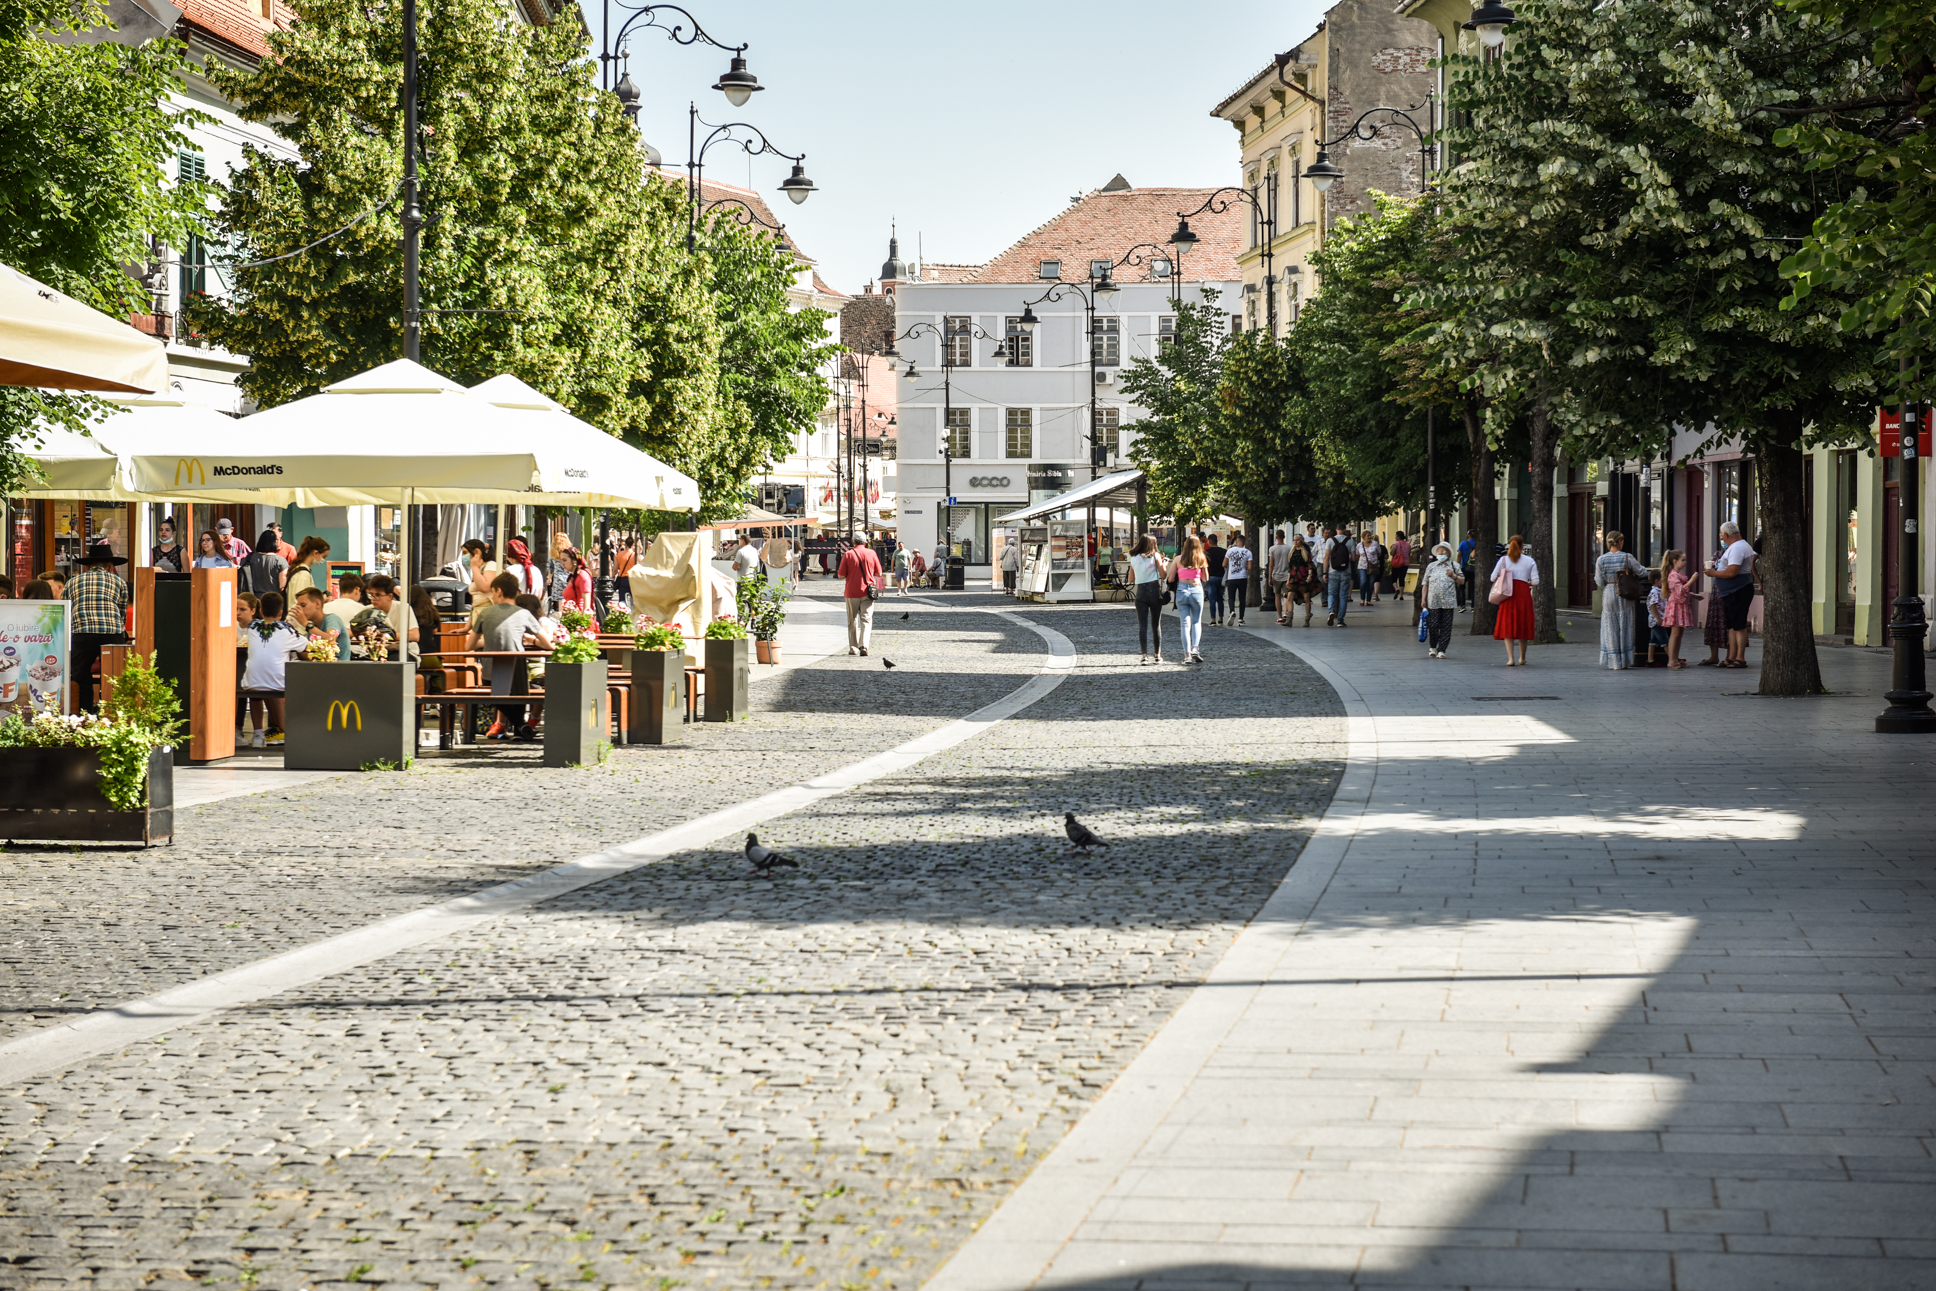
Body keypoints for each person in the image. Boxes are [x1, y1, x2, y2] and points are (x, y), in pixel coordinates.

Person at [470, 571, 544, 740]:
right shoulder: (523, 614)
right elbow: (547, 643)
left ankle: (518, 724)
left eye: (492, 591)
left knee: (495, 692)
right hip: (517, 666)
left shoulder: (487, 613)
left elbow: (469, 645)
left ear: (499, 591)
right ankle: (520, 727)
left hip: (491, 669)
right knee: (518, 689)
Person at [66, 543, 129, 714]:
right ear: (110, 566)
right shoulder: (119, 582)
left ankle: (82, 714)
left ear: (86, 566)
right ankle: (111, 714)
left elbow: (66, 609)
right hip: (112, 632)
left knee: (79, 674)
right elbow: (122, 611)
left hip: (82, 633)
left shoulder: (72, 582)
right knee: (114, 674)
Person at [240, 590, 301, 747]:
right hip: (278, 682)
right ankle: (286, 732)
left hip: (251, 682)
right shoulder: (287, 630)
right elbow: (306, 646)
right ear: (281, 613)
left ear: (260, 611)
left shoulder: (252, 626)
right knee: (273, 682)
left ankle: (258, 735)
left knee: (256, 692)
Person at [1703, 521, 1757, 669]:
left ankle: (1740, 658)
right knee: (1732, 626)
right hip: (1730, 591)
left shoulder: (1738, 548)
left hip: (1737, 590)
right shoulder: (1737, 546)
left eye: (1721, 535)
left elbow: (1732, 571)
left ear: (1726, 535)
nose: (1721, 538)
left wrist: (1713, 573)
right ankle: (1731, 656)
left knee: (1738, 625)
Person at [1593, 530, 1649, 669]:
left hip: (1609, 593)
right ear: (1620, 542)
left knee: (1610, 626)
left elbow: (1599, 581)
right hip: (1625, 593)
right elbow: (1641, 571)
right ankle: (1625, 659)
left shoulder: (1601, 559)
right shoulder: (1627, 557)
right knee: (1626, 624)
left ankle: (1613, 661)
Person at [1490, 533, 1539, 665]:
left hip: (1507, 594)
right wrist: (1526, 583)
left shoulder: (1503, 560)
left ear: (1508, 545)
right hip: (1523, 594)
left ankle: (1510, 658)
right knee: (1523, 624)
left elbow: (1492, 578)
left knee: (1508, 624)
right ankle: (1522, 657)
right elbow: (1535, 581)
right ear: (1523, 546)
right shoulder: (1530, 561)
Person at [838, 539, 883, 656]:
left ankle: (853, 648)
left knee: (852, 620)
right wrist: (880, 586)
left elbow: (841, 575)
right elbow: (879, 573)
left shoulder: (848, 555)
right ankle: (864, 645)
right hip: (867, 592)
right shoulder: (872, 553)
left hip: (851, 592)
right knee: (866, 619)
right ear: (865, 542)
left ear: (853, 542)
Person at [1130, 535, 1170, 664]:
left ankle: (1144, 656)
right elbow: (1163, 575)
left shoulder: (1134, 558)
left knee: (1142, 625)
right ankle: (1157, 655)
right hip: (1153, 590)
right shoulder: (1156, 556)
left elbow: (1131, 579)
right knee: (1156, 624)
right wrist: (1165, 564)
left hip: (1140, 591)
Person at [1422, 541, 1464, 658]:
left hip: (1448, 601)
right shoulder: (1431, 566)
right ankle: (1433, 647)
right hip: (1433, 601)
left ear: (1449, 553)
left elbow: (1462, 581)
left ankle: (1442, 650)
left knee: (1446, 626)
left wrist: (1453, 576)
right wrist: (1423, 599)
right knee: (1434, 624)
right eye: (1439, 550)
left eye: (1443, 550)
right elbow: (1425, 583)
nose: (1441, 552)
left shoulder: (1454, 566)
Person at [1172, 534, 1208, 663]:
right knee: (1196, 621)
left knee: (1184, 624)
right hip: (1196, 589)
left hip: (1182, 590)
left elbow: (1170, 578)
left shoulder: (1178, 559)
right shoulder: (1201, 559)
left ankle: (1187, 656)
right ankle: (1195, 649)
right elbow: (1205, 578)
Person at [366, 574, 419, 659]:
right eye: (371, 594)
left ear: (390, 596)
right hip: (377, 652)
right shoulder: (367, 611)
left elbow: (415, 636)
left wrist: (389, 635)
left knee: (392, 663)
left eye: (378, 595)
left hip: (405, 652)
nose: (373, 598)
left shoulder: (403, 608)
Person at [1660, 549, 1698, 669]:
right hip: (1676, 606)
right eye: (1683, 560)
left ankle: (1676, 658)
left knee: (1679, 633)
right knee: (1675, 633)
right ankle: (1671, 660)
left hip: (1681, 605)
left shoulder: (1680, 574)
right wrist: (1692, 580)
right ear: (1675, 561)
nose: (1685, 562)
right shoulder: (1672, 575)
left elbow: (1683, 591)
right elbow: (1680, 590)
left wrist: (1694, 595)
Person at [293, 587, 350, 661]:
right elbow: (308, 656)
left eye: (303, 605)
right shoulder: (312, 628)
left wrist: (306, 624)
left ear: (318, 604)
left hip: (340, 669)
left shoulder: (332, 619)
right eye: (298, 606)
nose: (300, 610)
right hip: (321, 669)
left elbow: (331, 639)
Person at [233, 591, 259, 739]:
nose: (238, 613)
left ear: (253, 611)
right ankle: (236, 728)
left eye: (242, 609)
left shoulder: (258, 628)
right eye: (236, 609)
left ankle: (259, 732)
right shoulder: (231, 625)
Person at [283, 536, 331, 603]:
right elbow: (301, 603)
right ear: (315, 553)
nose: (324, 560)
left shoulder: (301, 571)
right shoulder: (303, 575)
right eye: (324, 556)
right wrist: (321, 600)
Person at [239, 529, 287, 596]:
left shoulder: (250, 558)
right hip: (275, 599)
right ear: (274, 542)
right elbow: (282, 585)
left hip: (254, 598)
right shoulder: (281, 561)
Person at [1284, 538, 1317, 627]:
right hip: (1294, 577)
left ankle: (1307, 618)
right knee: (1289, 597)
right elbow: (1290, 568)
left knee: (1306, 598)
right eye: (1294, 540)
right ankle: (1289, 619)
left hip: (1303, 577)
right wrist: (1288, 580)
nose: (1295, 542)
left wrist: (1309, 575)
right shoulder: (1292, 552)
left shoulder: (1305, 552)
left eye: (1297, 540)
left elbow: (1310, 564)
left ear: (1301, 541)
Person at [1324, 529, 1353, 627]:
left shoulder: (1330, 540)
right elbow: (1353, 558)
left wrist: (1324, 573)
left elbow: (1327, 557)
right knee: (1343, 596)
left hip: (1333, 571)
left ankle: (1331, 611)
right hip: (1346, 571)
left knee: (1331, 593)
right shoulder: (1350, 540)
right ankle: (1340, 620)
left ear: (1336, 530)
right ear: (1345, 530)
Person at [1223, 533, 1251, 625]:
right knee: (1242, 598)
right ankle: (1241, 618)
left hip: (1232, 578)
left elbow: (1223, 564)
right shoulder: (1248, 552)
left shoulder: (1230, 551)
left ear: (1236, 541)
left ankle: (1232, 611)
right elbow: (1250, 567)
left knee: (1231, 597)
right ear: (1244, 542)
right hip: (1242, 577)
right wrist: (1244, 567)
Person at [1645, 569, 1669, 668]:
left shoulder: (1658, 591)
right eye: (1662, 580)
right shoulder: (1655, 592)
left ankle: (1650, 660)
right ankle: (1672, 658)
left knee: (1653, 641)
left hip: (1653, 620)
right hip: (1656, 620)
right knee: (1664, 640)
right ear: (1656, 581)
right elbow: (1653, 605)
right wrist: (1658, 618)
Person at [546, 531, 574, 609]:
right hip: (569, 577)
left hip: (558, 579)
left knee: (560, 600)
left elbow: (550, 567)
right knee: (569, 598)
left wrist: (549, 578)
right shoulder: (569, 552)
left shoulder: (553, 554)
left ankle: (561, 614)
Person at [1203, 533, 1226, 627]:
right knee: (1220, 599)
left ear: (1209, 542)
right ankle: (1221, 618)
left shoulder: (1206, 552)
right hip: (1221, 577)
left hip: (1210, 577)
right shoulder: (1223, 551)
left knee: (1212, 600)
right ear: (1217, 541)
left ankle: (1213, 620)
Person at [1266, 530, 1291, 616]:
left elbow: (1271, 564)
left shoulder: (1272, 549)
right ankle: (1286, 614)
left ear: (1276, 537)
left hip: (1276, 575)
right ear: (1284, 537)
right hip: (1286, 575)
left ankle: (1280, 616)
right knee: (1286, 596)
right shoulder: (1289, 548)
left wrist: (1269, 577)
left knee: (1277, 596)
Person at [1456, 530, 1477, 611]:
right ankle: (1473, 606)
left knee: (1462, 586)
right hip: (1475, 568)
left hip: (1464, 567)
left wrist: (1457, 566)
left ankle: (1462, 605)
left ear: (1468, 535)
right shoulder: (1477, 544)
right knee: (1473, 587)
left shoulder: (1463, 543)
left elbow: (1459, 555)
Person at [1390, 531, 1411, 600]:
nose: (1395, 537)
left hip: (1397, 563)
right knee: (1402, 578)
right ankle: (1401, 595)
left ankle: (1396, 589)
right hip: (1405, 563)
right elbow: (1409, 553)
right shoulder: (1408, 544)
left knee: (1394, 578)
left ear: (1398, 537)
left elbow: (1392, 553)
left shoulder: (1396, 543)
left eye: (1396, 536)